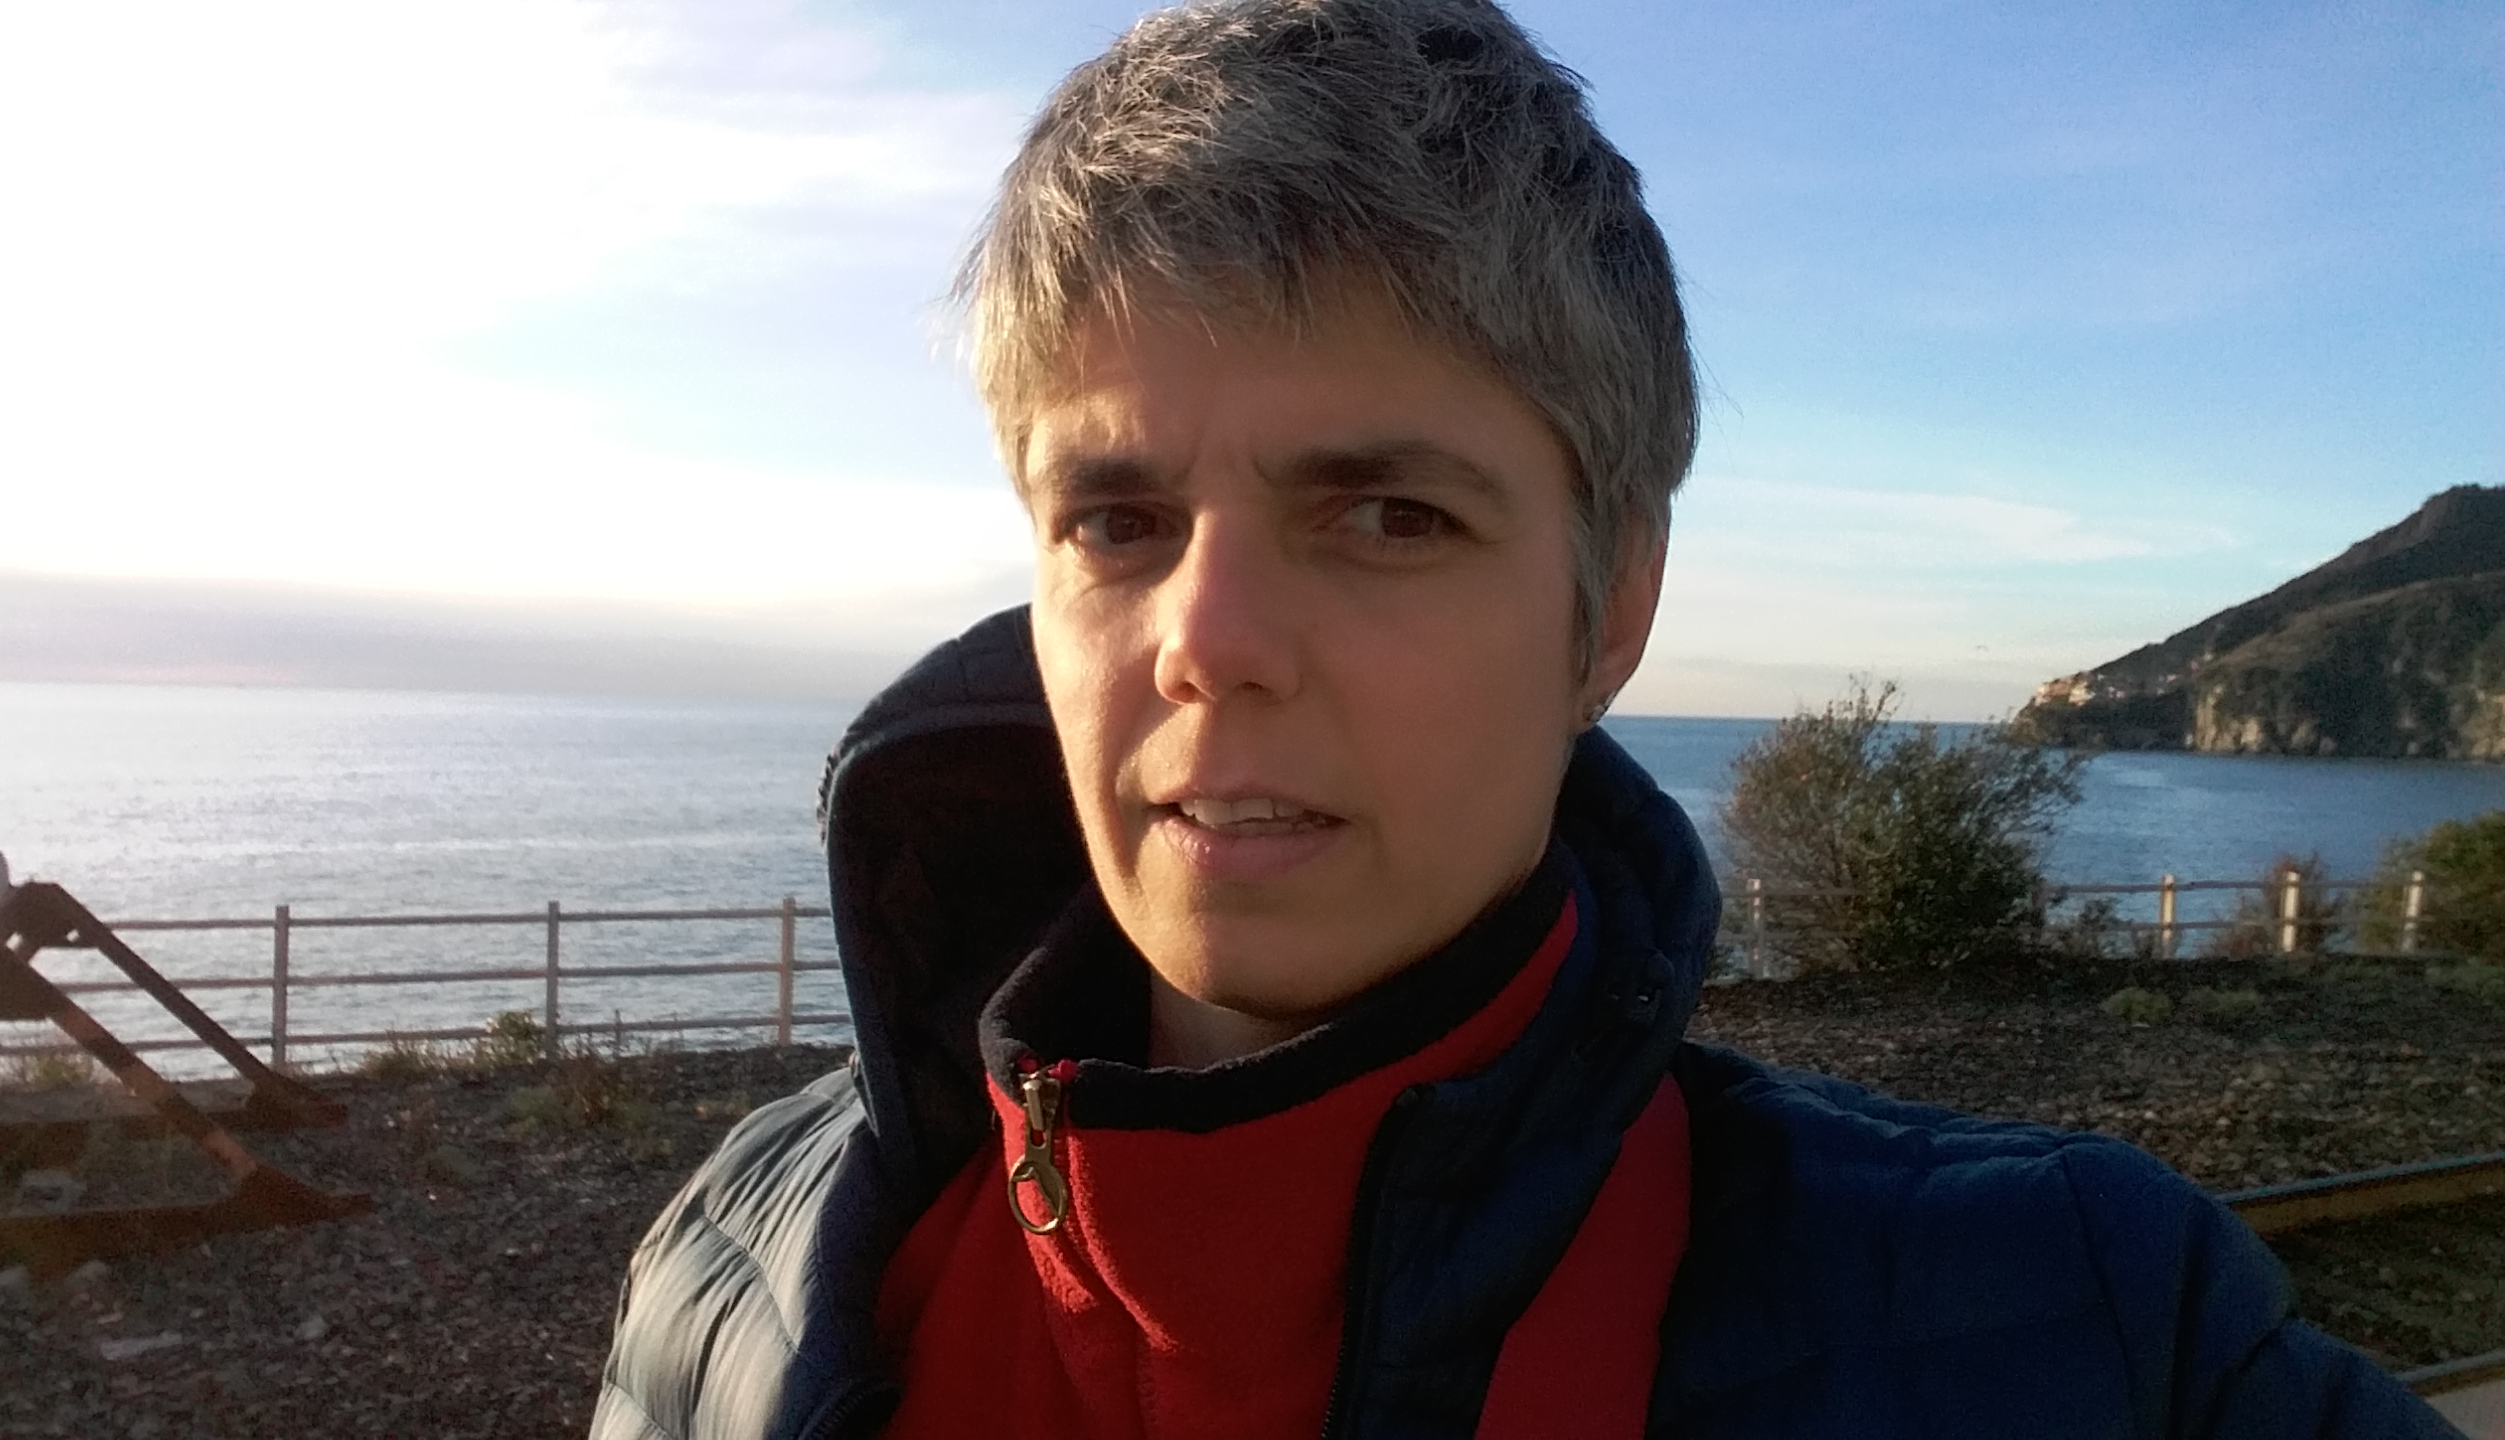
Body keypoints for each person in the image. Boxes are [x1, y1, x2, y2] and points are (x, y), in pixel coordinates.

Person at [590, 2, 2458, 1436]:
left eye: (1388, 517)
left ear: (1611, 606)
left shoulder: (2084, 1329)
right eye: (1118, 520)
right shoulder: (747, 1273)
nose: (1207, 643)